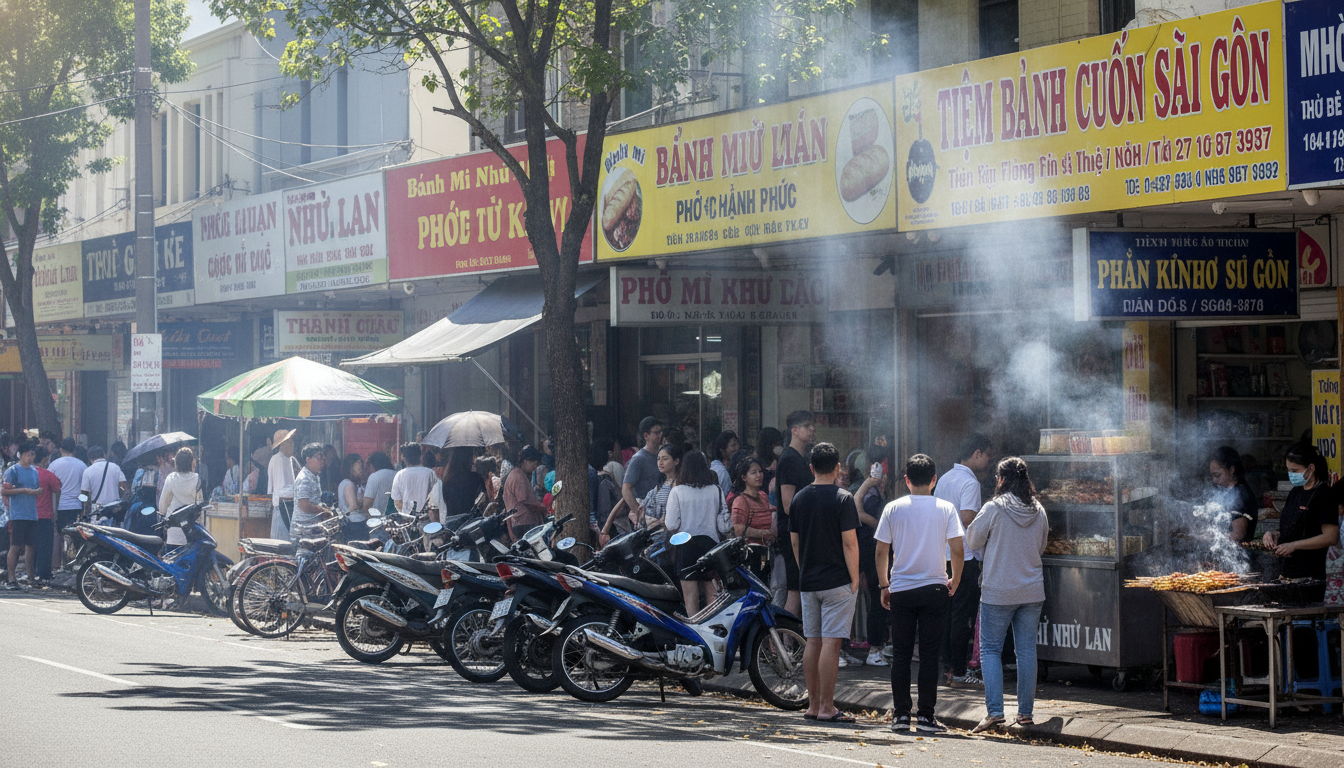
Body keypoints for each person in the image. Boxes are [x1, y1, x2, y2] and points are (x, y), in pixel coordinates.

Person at [875, 453, 965, 734]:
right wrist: (956, 580)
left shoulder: (893, 508)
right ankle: (926, 717)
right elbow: (958, 550)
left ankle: (901, 715)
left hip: (901, 588)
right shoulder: (946, 508)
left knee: (900, 654)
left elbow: (881, 550)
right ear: (934, 480)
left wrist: (883, 584)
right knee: (929, 654)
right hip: (935, 587)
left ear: (906, 480)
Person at [965, 457, 1049, 733]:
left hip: (998, 590)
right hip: (1032, 589)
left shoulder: (994, 508)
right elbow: (1041, 546)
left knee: (990, 650)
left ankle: (995, 712)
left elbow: (972, 539)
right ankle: (1025, 714)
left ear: (1001, 480)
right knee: (1026, 651)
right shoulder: (1038, 510)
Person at [788, 442, 861, 722]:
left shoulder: (799, 499)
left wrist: (804, 567)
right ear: (838, 467)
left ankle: (813, 705)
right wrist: (854, 578)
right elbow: (850, 543)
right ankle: (828, 707)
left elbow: (794, 541)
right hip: (837, 580)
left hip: (809, 580)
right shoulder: (844, 498)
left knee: (813, 642)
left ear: (810, 468)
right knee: (831, 643)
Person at [936, 433, 992, 688]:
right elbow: (968, 517)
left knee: (947, 613)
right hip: (965, 557)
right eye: (987, 455)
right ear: (977, 453)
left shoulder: (945, 478)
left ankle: (947, 667)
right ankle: (959, 672)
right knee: (962, 615)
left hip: (944, 554)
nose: (988, 461)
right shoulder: (971, 483)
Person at [665, 450, 732, 614]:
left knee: (690, 599)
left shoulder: (677, 492)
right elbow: (724, 527)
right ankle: (714, 633)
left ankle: (694, 636)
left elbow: (671, 523)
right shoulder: (716, 490)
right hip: (711, 549)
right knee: (713, 597)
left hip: (685, 548)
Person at [1265, 444, 1339, 584]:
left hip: (1311, 577)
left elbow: (1330, 537)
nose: (1291, 474)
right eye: (1288, 470)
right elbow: (1290, 528)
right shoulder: (1295, 492)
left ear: (1311, 468)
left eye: (1295, 470)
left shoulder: (1324, 495)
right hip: (1286, 573)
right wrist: (1274, 535)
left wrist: (1294, 545)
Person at [852, 444, 891, 667]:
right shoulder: (867, 491)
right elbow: (857, 513)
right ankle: (874, 648)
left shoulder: (874, 492)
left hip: (873, 549)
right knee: (878, 598)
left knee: (878, 598)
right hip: (871, 550)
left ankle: (877, 646)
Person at [776, 410, 816, 616]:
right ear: (795, 430)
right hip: (793, 533)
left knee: (799, 588)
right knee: (794, 589)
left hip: (802, 532)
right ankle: (782, 643)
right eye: (807, 426)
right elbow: (787, 504)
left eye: (812, 425)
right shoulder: (789, 459)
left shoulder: (800, 458)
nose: (812, 429)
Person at [3, 443, 42, 589]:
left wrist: (36, 491)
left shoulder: (34, 471)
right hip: (18, 514)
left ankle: (31, 577)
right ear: (21, 455)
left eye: (33, 454)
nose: (31, 457)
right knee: (15, 546)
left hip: (32, 513)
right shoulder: (13, 470)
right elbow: (4, 491)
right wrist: (24, 490)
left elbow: (35, 487)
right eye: (28, 454)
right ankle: (11, 579)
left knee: (31, 546)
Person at [48, 437, 87, 572]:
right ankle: (73, 564)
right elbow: (85, 488)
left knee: (58, 535)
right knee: (75, 536)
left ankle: (56, 565)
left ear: (61, 449)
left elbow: (49, 485)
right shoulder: (82, 465)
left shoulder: (54, 465)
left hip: (59, 506)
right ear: (74, 449)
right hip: (76, 505)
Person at [1209, 446, 1257, 544]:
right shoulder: (1228, 491)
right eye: (1213, 476)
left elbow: (1237, 535)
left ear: (1231, 469)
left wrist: (1209, 537)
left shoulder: (1240, 495)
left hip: (1238, 553)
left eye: (1217, 475)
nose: (1214, 480)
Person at [159, 448, 203, 546]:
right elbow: (200, 505)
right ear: (191, 462)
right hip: (192, 534)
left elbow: (162, 508)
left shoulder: (171, 478)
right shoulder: (196, 479)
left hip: (173, 533)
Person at [503, 445, 548, 540]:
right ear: (526, 460)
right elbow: (526, 502)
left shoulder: (515, 474)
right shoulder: (519, 477)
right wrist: (542, 508)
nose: (535, 467)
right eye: (534, 463)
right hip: (524, 523)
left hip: (518, 523)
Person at [621, 417, 664, 518]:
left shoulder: (664, 455)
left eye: (661, 432)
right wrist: (638, 511)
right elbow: (626, 489)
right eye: (656, 433)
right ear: (646, 436)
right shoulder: (638, 459)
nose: (660, 435)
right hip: (649, 514)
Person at [31, 447, 62, 584]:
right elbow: (57, 489)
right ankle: (43, 573)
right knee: (45, 545)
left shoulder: (24, 473)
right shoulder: (47, 474)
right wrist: (56, 509)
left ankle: (30, 571)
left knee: (30, 545)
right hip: (44, 514)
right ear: (44, 459)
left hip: (28, 515)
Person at [391, 443, 441, 520]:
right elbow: (436, 498)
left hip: (407, 521)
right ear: (420, 456)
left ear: (403, 458)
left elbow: (397, 502)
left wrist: (406, 514)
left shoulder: (399, 475)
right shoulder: (429, 473)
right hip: (427, 519)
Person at [290, 443, 331, 537]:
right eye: (319, 459)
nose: (322, 462)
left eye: (323, 459)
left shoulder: (314, 476)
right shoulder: (304, 478)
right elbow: (304, 504)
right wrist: (324, 511)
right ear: (308, 460)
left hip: (312, 529)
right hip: (302, 531)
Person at [267, 429, 300, 540]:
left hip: (290, 507)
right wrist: (299, 491)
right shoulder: (278, 459)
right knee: (281, 544)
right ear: (282, 445)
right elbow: (282, 490)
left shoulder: (291, 459)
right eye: (289, 442)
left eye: (292, 441)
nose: (292, 445)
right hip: (281, 508)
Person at [80, 446, 128, 515]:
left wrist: (86, 512)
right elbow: (124, 486)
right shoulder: (115, 467)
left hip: (97, 510)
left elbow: (85, 494)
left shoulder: (87, 471)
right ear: (104, 455)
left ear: (90, 458)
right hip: (115, 508)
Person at [441, 448, 486, 520]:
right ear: (469, 458)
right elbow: (484, 500)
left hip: (452, 522)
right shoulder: (476, 478)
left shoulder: (447, 479)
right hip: (472, 521)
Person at [338, 453, 366, 539]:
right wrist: (364, 502)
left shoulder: (355, 484)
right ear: (351, 468)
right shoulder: (348, 484)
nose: (361, 471)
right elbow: (353, 506)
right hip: (355, 524)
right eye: (358, 468)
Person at [361, 451, 396, 517]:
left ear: (372, 465)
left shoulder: (374, 477)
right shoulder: (398, 475)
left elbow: (366, 506)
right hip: (396, 520)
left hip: (377, 521)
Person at [710, 430, 740, 498]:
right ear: (722, 451)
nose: (737, 448)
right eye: (733, 445)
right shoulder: (721, 472)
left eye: (737, 444)